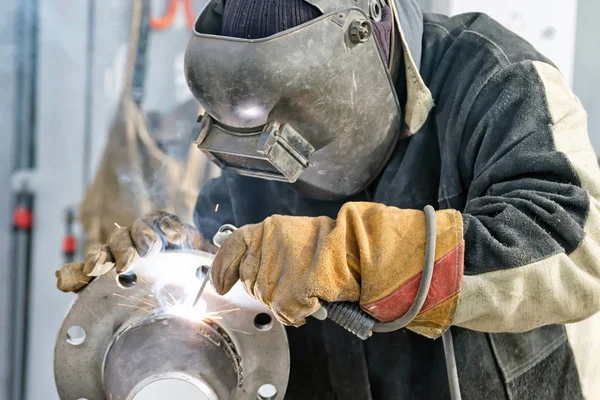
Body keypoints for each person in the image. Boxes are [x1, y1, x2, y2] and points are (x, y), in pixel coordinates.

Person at [57, 0, 600, 398]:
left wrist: (354, 257)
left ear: (372, 36)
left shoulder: (497, 80)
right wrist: (177, 264)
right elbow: (231, 263)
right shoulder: (253, 122)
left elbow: (579, 251)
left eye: (300, 115)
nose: (278, 165)